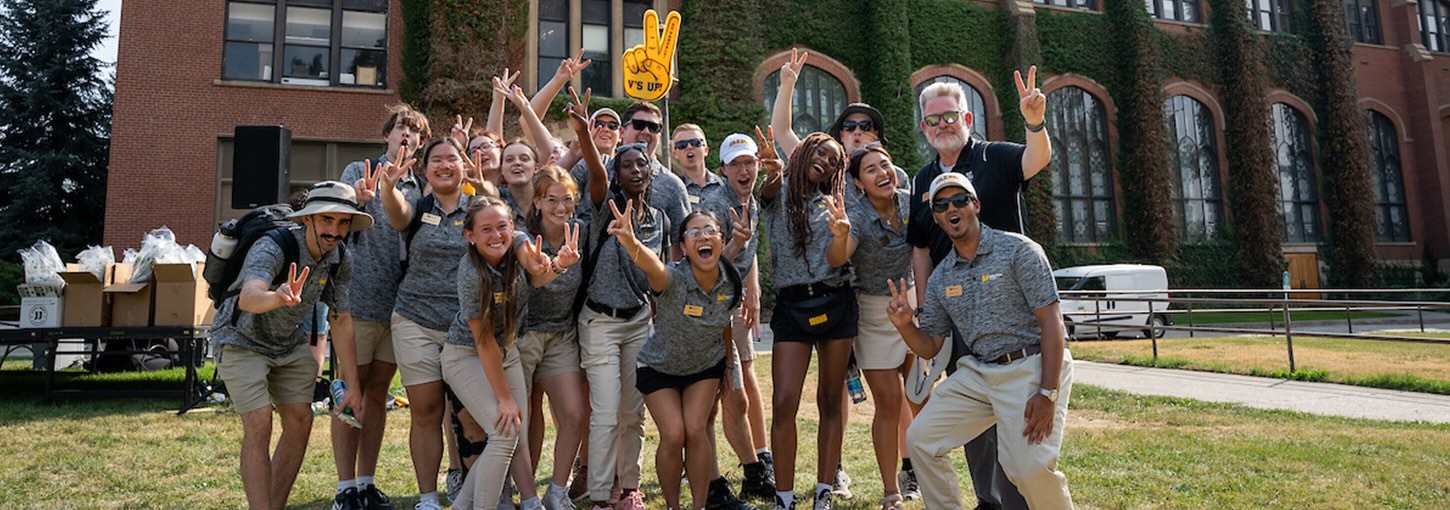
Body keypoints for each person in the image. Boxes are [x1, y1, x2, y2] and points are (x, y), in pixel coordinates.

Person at [906, 67, 1052, 510]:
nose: (942, 125)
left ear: (968, 119)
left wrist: (1034, 123)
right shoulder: (921, 179)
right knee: (972, 418)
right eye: (933, 120)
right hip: (956, 315)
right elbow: (920, 248)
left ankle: (1017, 502)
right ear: (923, 128)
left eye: (950, 116)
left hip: (1011, 316)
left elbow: (1037, 159)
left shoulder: (995, 157)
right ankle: (988, 501)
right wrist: (926, 313)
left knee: (1013, 419)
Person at [770, 50, 910, 498]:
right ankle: (818, 480)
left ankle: (901, 469)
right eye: (848, 127)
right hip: (817, 298)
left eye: (865, 128)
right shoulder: (811, 175)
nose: (855, 134)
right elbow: (783, 135)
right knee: (814, 397)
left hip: (861, 299)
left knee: (883, 393)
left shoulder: (885, 176)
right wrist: (788, 83)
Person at [887, 172, 1074, 508]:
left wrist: (1047, 392)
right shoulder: (943, 274)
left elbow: (1052, 322)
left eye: (960, 199)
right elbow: (931, 344)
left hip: (1029, 367)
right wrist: (904, 327)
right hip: (979, 373)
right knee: (921, 439)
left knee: (1029, 470)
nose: (951, 208)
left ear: (976, 205)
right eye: (942, 205)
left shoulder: (1018, 250)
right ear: (937, 217)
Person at [213, 181, 368, 510]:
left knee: (301, 420)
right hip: (241, 338)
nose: (335, 231)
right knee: (259, 423)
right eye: (327, 220)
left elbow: (341, 320)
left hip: (288, 342)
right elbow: (249, 296)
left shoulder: (340, 258)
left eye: (343, 223)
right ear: (308, 219)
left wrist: (353, 386)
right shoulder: (275, 245)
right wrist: (277, 297)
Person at [610, 206, 756, 510]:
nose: (703, 236)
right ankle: (673, 506)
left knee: (696, 429)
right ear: (684, 246)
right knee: (674, 434)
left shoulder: (729, 279)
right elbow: (654, 268)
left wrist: (729, 365)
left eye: (710, 230)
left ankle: (699, 506)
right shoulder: (673, 278)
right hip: (659, 368)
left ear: (721, 237)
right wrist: (632, 242)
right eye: (694, 232)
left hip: (704, 367)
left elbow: (724, 324)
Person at [443, 196, 579, 510]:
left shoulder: (515, 243)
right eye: (486, 229)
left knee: (512, 434)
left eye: (502, 226)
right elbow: (484, 343)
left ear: (512, 226)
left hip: (507, 350)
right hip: (466, 355)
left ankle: (463, 506)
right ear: (470, 236)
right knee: (504, 435)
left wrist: (557, 265)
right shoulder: (471, 275)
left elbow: (537, 273)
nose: (496, 235)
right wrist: (505, 399)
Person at [567, 92, 664, 510]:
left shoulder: (656, 219)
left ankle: (629, 489)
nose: (637, 170)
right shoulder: (604, 206)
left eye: (642, 164)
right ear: (618, 174)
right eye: (627, 165)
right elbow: (594, 170)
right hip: (601, 322)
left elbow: (653, 275)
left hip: (638, 322)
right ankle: (602, 494)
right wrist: (585, 135)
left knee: (632, 413)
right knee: (605, 412)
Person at [332, 104, 429, 510]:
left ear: (420, 144)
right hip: (356, 301)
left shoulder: (421, 187)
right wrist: (357, 199)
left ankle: (367, 482)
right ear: (387, 134)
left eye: (413, 131)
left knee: (377, 395)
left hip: (399, 306)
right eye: (399, 128)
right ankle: (344, 489)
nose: (405, 135)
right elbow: (333, 218)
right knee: (350, 393)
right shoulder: (359, 171)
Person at [377, 137, 472, 510]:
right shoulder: (418, 206)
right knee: (427, 410)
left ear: (463, 165)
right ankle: (428, 498)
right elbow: (397, 214)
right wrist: (388, 187)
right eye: (436, 160)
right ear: (425, 168)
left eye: (452, 158)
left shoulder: (478, 207)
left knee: (468, 413)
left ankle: (475, 488)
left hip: (465, 324)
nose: (445, 165)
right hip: (414, 319)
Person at [760, 132, 854, 510]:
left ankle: (823, 492)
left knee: (831, 400)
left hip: (836, 301)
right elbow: (767, 191)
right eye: (821, 152)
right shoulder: (779, 191)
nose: (826, 162)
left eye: (834, 160)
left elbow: (835, 260)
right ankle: (784, 497)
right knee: (784, 402)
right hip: (791, 305)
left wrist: (841, 234)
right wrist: (770, 171)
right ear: (804, 151)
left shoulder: (835, 204)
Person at [697, 132, 775, 500]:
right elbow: (703, 267)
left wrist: (753, 287)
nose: (744, 170)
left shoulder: (751, 199)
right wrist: (737, 244)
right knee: (719, 397)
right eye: (736, 164)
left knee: (736, 390)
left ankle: (753, 469)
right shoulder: (715, 204)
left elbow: (748, 252)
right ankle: (721, 481)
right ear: (723, 168)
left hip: (734, 305)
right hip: (711, 312)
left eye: (749, 162)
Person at [837, 145, 915, 510]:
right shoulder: (855, 215)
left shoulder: (913, 203)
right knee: (889, 403)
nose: (883, 172)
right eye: (871, 169)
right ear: (858, 182)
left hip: (915, 304)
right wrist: (839, 236)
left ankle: (925, 475)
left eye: (886, 164)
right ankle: (891, 491)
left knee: (920, 399)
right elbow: (837, 257)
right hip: (872, 313)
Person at [519, 166, 591, 510]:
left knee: (575, 414)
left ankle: (557, 491)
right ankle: (526, 494)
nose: (560, 207)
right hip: (524, 334)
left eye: (567, 199)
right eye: (551, 200)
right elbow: (534, 281)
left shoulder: (582, 232)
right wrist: (558, 265)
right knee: (524, 417)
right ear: (537, 201)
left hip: (561, 334)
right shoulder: (522, 236)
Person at [570, 100, 690, 234]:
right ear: (621, 132)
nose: (646, 131)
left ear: (660, 136)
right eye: (639, 125)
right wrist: (575, 149)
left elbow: (682, 242)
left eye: (653, 127)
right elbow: (552, 193)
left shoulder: (673, 185)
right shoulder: (593, 167)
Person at [671, 123, 724, 200]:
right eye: (682, 145)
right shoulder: (672, 190)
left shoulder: (724, 186)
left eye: (695, 143)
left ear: (706, 150)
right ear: (675, 154)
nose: (689, 147)